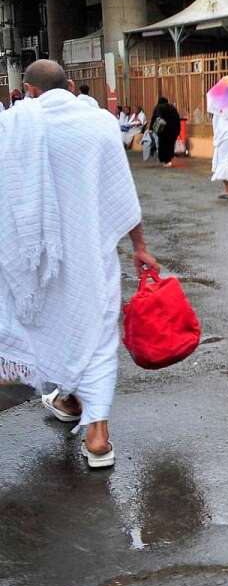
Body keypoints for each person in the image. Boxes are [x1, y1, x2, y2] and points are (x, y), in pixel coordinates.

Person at [0, 59, 159, 469]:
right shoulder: (101, 123)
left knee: (49, 327)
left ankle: (69, 398)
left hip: (35, 262)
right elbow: (121, 190)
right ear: (71, 86)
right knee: (98, 332)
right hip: (91, 254)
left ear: (30, 91)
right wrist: (139, 245)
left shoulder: (14, 125)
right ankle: (97, 435)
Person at [150, 97, 182, 168]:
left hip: (163, 130)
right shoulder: (172, 107)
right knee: (170, 145)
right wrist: (178, 130)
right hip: (173, 130)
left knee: (163, 144)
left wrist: (151, 128)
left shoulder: (158, 107)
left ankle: (164, 160)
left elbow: (154, 118)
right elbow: (177, 119)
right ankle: (169, 160)